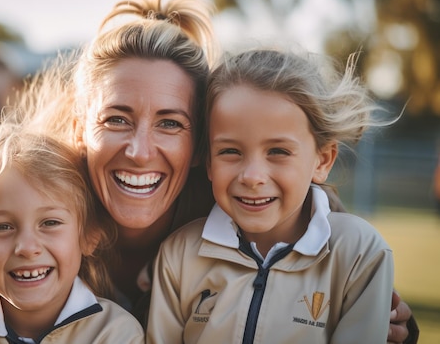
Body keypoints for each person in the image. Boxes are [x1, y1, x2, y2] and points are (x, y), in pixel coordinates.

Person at [0, 0, 417, 343]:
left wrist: (397, 328)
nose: (139, 150)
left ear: (202, 145)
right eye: (117, 118)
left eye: (171, 124)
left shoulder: (237, 208)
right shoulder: (32, 206)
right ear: (80, 128)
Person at [147, 47, 397, 343]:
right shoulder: (179, 254)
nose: (252, 177)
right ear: (209, 161)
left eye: (277, 151)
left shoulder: (359, 253)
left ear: (323, 160)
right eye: (230, 151)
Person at [0, 115, 143, 344]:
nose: (27, 248)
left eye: (50, 223)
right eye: (1, 227)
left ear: (89, 236)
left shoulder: (115, 334)